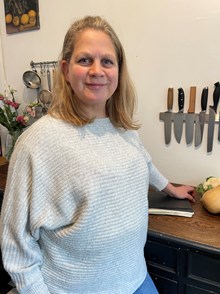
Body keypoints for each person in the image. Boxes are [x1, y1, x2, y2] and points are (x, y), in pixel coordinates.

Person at [0, 16, 195, 294]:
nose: (97, 70)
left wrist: (170, 188)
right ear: (66, 70)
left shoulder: (124, 129)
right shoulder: (37, 143)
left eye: (107, 61)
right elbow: (16, 242)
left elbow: (144, 162)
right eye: (84, 60)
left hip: (136, 280)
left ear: (118, 70)